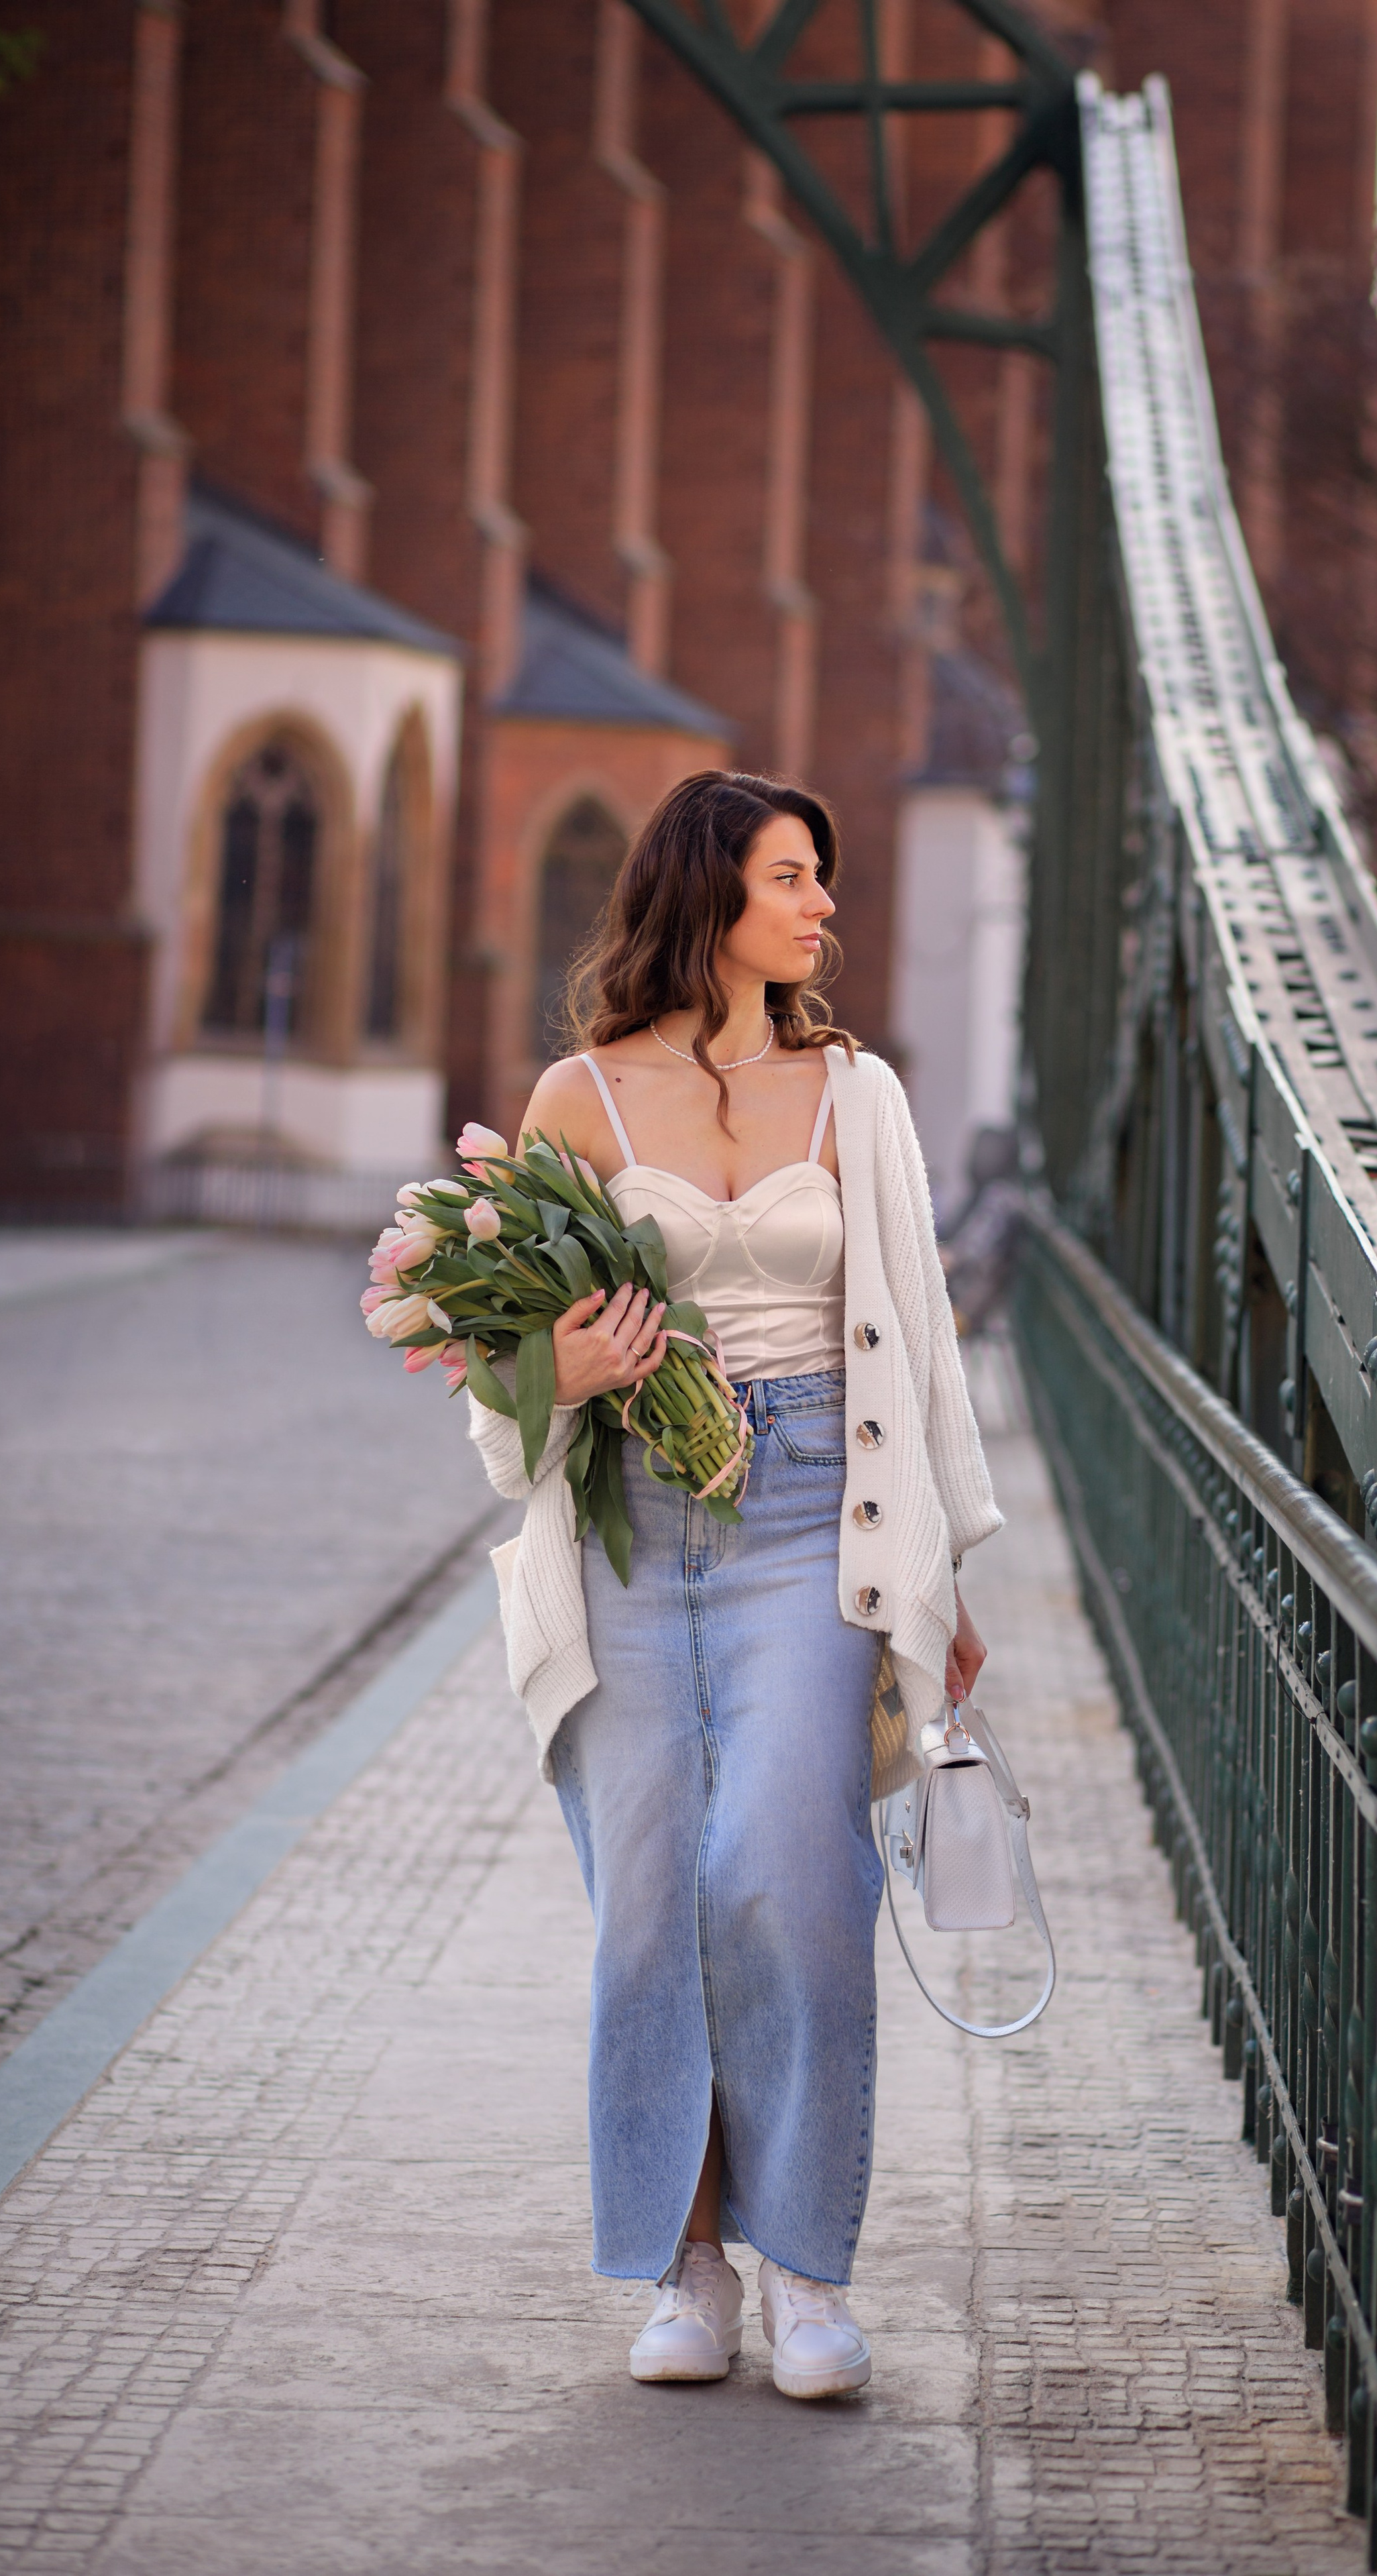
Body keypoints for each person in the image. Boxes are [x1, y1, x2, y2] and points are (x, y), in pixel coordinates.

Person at [467, 769, 1001, 2399]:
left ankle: (810, 2276)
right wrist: (547, 1363)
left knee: (790, 1879)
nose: (822, 905)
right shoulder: (576, 1099)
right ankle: (686, 2266)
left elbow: (919, 1329)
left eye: (820, 879)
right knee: (654, 1907)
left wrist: (942, 1571)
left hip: (808, 1520)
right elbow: (489, 1362)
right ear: (711, 893)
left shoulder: (859, 1094)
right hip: (634, 1522)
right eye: (791, 876)